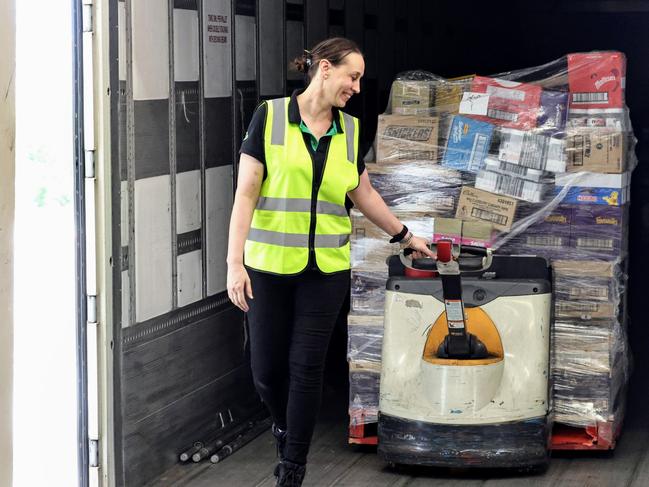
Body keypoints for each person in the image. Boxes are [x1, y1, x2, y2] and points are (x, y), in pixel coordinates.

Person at [226, 37, 435, 487]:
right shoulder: (270, 117)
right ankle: (283, 427)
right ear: (325, 68)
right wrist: (234, 264)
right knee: (266, 372)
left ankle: (293, 468)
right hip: (267, 267)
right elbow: (245, 194)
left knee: (307, 367)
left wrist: (405, 235)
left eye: (359, 79)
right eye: (352, 76)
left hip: (326, 270)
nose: (357, 87)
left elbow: (365, 194)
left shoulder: (351, 130)